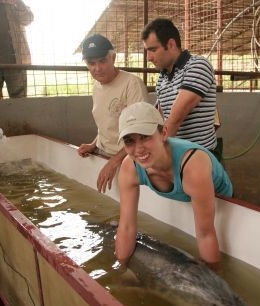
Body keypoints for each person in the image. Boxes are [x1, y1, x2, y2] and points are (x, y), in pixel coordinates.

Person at [115, 102, 232, 270]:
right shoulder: (129, 167)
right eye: (129, 141)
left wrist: (214, 280)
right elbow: (126, 227)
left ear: (163, 133)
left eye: (145, 136)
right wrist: (121, 270)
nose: (138, 149)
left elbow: (206, 233)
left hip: (221, 199)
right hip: (186, 193)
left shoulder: (193, 166)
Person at [142, 18, 222, 160]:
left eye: (153, 50)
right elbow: (160, 119)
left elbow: (174, 120)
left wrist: (153, 157)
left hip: (200, 157)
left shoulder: (197, 66)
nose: (148, 57)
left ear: (171, 44)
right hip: (176, 154)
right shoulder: (162, 77)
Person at [78, 34, 149, 193]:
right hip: (103, 154)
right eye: (91, 63)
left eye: (102, 61)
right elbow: (107, 124)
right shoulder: (96, 86)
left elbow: (140, 132)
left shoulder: (132, 84)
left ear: (113, 57)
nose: (97, 68)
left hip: (128, 159)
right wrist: (93, 144)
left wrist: (113, 162)